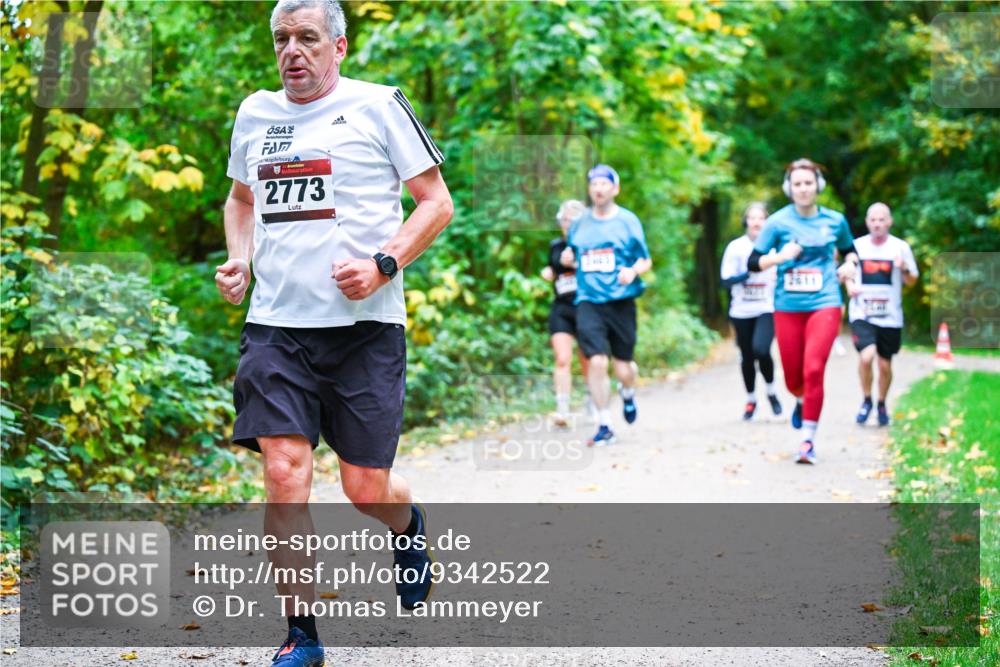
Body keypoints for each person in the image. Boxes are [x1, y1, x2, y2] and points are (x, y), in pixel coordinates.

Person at [215, 1, 453, 664]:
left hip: (363, 332)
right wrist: (239, 258)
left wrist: (384, 265)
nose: (293, 51)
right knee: (285, 472)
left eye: (308, 38)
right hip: (275, 329)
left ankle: (408, 527)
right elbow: (240, 200)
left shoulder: (379, 105)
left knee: (364, 487)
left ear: (339, 47)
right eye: (282, 39)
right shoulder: (254, 113)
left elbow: (437, 202)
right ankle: (302, 634)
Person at [748, 158, 858, 464]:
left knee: (813, 370)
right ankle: (799, 398)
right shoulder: (777, 223)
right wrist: (779, 257)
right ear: (789, 188)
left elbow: (851, 251)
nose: (803, 189)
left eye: (808, 183)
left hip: (825, 302)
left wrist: (849, 265)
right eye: (797, 184)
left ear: (818, 185)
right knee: (793, 377)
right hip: (787, 307)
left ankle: (807, 440)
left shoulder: (835, 221)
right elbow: (753, 262)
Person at [561, 165, 652, 447]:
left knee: (623, 368)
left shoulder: (628, 221)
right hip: (588, 301)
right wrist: (568, 260)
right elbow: (575, 256)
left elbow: (645, 259)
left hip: (621, 301)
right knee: (597, 361)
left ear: (615, 188)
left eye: (604, 183)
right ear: (590, 189)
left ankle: (627, 391)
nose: (598, 188)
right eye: (594, 184)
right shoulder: (579, 223)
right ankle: (604, 423)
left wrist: (633, 272)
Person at [846, 202, 918, 427]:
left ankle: (881, 403)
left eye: (881, 219)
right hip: (862, 313)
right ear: (867, 222)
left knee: (885, 365)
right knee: (866, 357)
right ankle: (866, 399)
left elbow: (912, 281)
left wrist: (903, 267)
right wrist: (850, 286)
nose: (877, 224)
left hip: (890, 316)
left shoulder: (900, 248)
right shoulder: (856, 246)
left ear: (889, 221)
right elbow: (845, 273)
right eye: (873, 220)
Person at [720, 202, 783, 421]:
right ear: (746, 221)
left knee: (761, 349)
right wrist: (746, 275)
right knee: (746, 356)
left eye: (761, 218)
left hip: (766, 307)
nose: (756, 222)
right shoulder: (735, 247)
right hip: (741, 310)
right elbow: (725, 280)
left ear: (767, 222)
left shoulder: (774, 248)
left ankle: (772, 391)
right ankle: (751, 400)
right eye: (752, 217)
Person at [541, 199, 590, 427]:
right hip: (561, 307)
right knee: (562, 358)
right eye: (564, 219)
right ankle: (563, 410)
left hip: (586, 306)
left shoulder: (591, 244)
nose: (567, 223)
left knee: (587, 359)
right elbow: (554, 267)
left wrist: (578, 263)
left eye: (572, 219)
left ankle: (594, 402)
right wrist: (550, 270)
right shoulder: (555, 245)